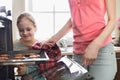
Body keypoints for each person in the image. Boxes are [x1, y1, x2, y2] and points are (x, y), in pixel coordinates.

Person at [47, 0, 117, 80]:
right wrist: (54, 39)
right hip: (78, 54)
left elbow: (112, 20)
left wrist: (95, 46)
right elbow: (74, 18)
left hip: (101, 51)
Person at [13, 12, 46, 80]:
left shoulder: (41, 45)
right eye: (21, 30)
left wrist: (27, 70)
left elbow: (46, 66)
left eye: (28, 29)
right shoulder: (15, 45)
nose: (25, 33)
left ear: (35, 28)